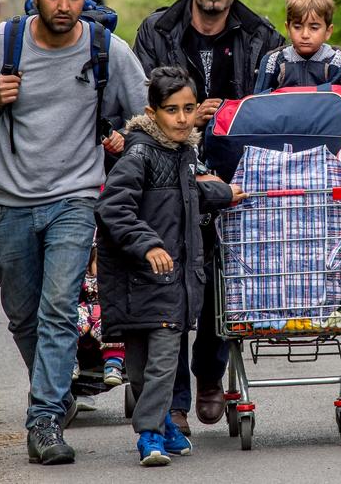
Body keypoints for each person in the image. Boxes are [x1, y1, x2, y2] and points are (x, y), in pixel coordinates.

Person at [0, 0, 148, 465]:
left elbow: (143, 113)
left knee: (59, 310)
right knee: (22, 314)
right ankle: (56, 392)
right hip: (11, 199)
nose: (64, 5)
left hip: (76, 197)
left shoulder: (106, 49)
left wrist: (124, 138)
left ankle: (45, 422)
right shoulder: (3, 42)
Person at [132, 0, 283, 436]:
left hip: (235, 180)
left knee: (223, 282)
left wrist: (237, 116)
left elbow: (277, 111)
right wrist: (190, 119)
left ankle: (209, 374)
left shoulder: (263, 36)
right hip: (167, 180)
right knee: (169, 290)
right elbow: (143, 107)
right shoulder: (156, 31)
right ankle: (173, 400)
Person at [95, 67, 247, 466]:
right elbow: (113, 207)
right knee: (142, 368)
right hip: (137, 277)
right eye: (171, 110)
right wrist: (147, 246)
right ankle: (159, 422)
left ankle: (152, 432)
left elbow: (188, 192)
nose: (182, 118)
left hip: (170, 281)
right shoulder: (140, 153)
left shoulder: (182, 152)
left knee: (161, 362)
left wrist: (223, 192)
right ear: (152, 111)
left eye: (188, 108)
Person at [254, 0, 341, 93]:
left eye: (314, 28)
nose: (305, 34)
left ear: (328, 31)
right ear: (288, 29)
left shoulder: (340, 64)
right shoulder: (273, 62)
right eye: (297, 27)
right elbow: (259, 103)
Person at [72, 240, 126, 412]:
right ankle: (69, 361)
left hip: (104, 319)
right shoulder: (85, 280)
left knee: (115, 322)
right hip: (84, 317)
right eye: (98, 264)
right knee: (70, 318)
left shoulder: (115, 281)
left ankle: (114, 363)